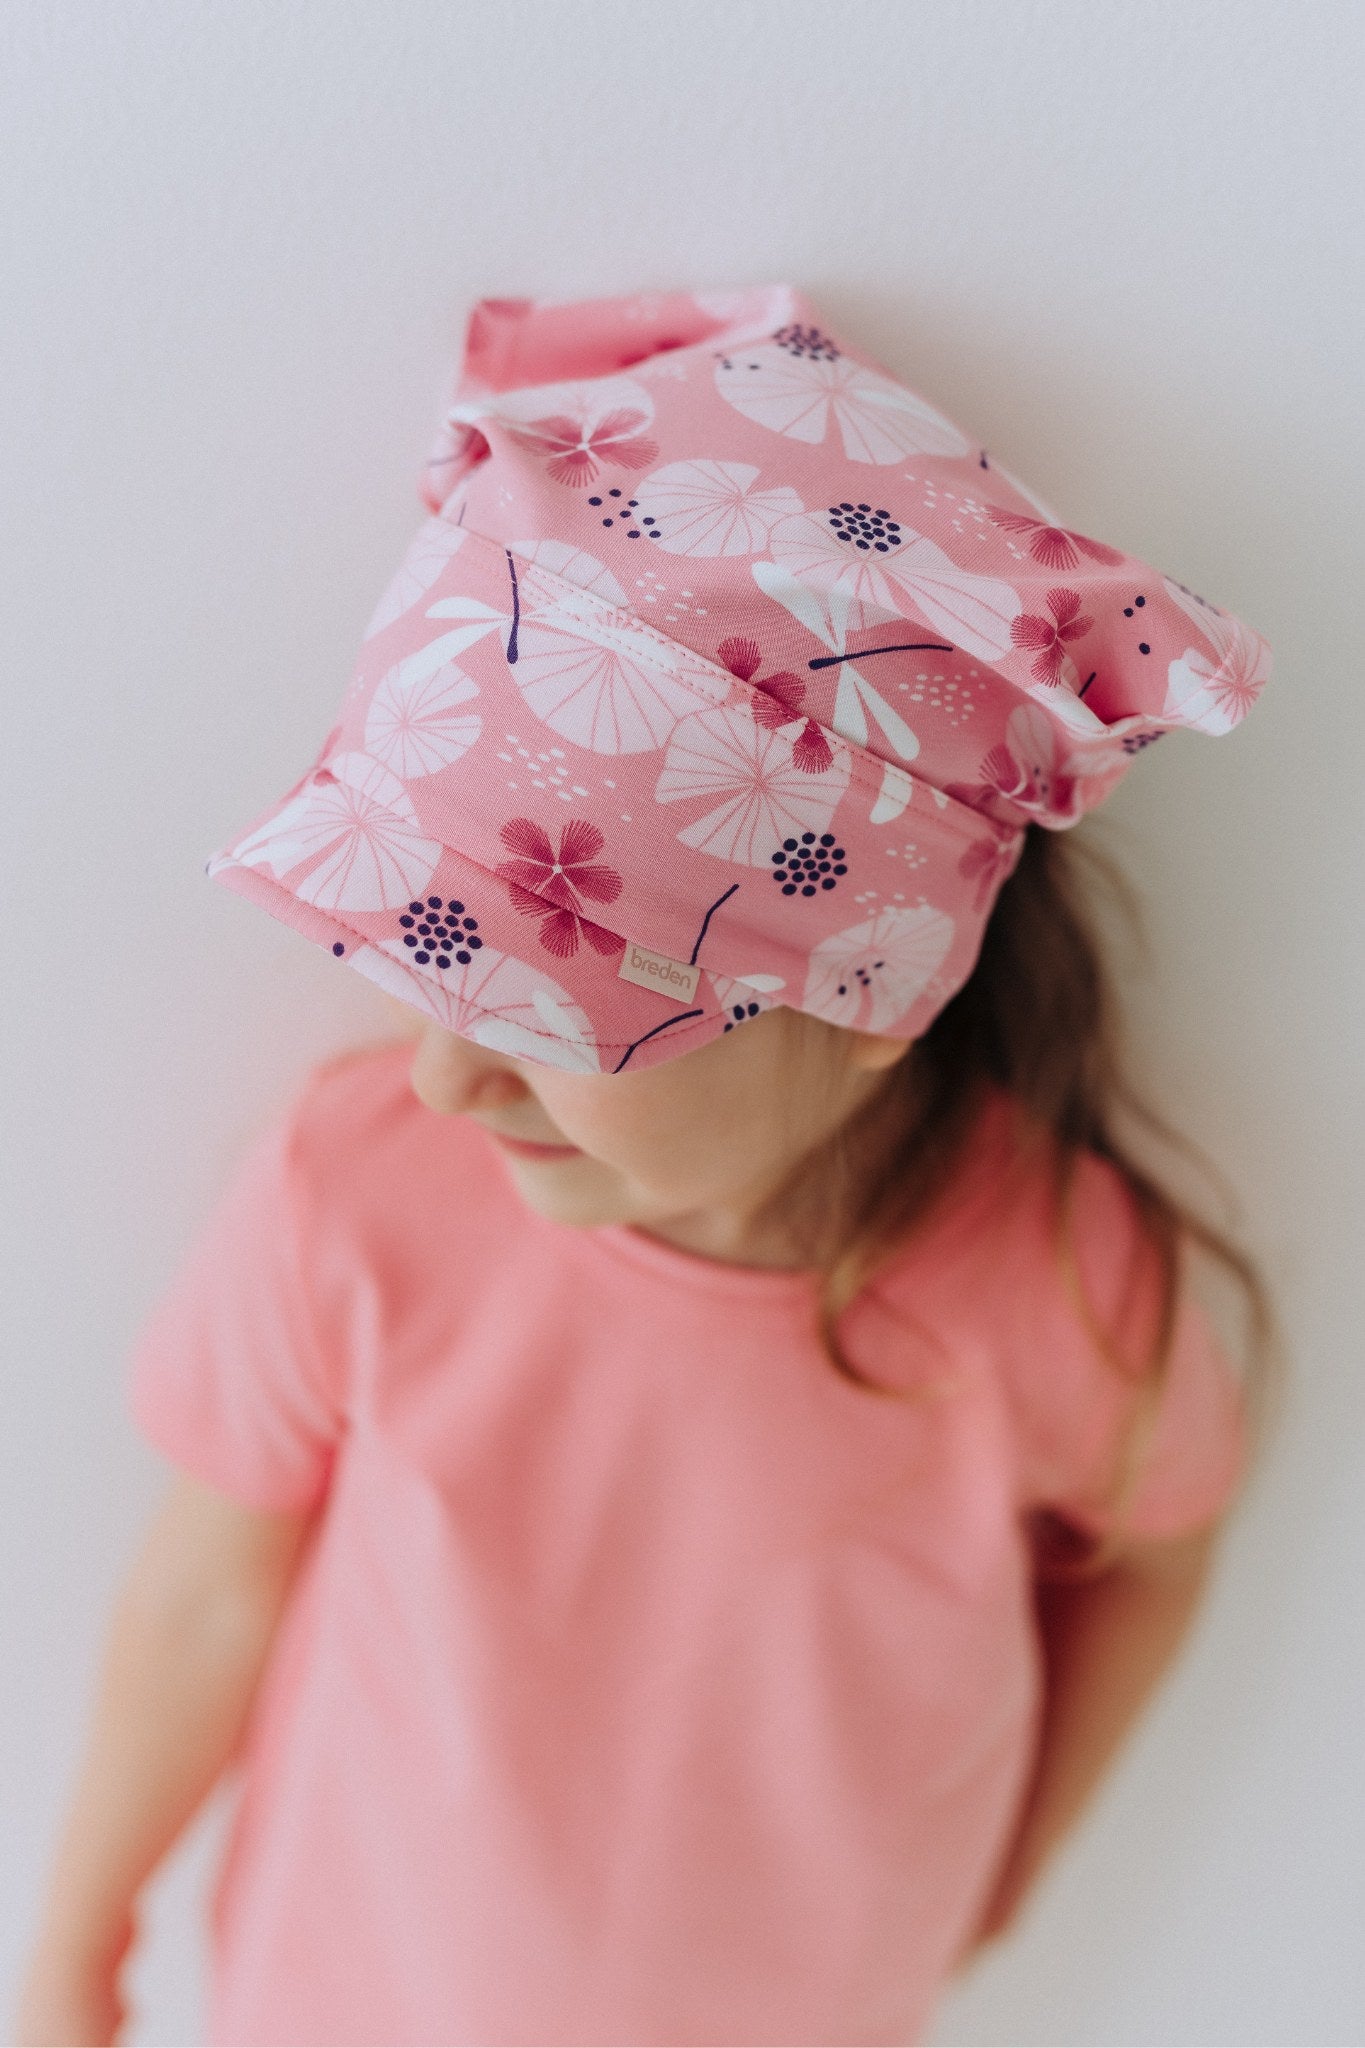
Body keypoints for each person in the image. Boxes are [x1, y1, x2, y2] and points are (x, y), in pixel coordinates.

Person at [15, 286, 1282, 2048]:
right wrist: (75, 1933)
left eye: (547, 1010)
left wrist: (1008, 1865)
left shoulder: (1058, 1282)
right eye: (423, 964)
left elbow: (1152, 1547)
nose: (447, 1076)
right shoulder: (358, 1195)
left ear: (868, 992)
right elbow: (203, 1597)